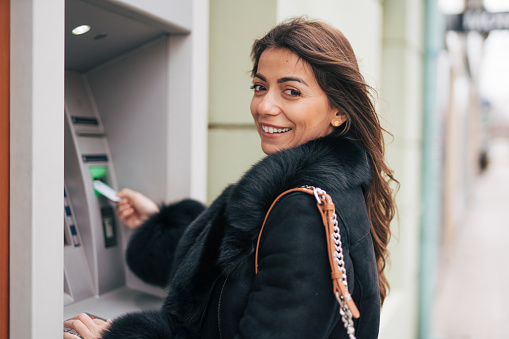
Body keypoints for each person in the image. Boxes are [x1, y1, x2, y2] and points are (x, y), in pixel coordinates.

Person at [64, 17, 397, 339]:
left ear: (338, 111)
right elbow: (241, 270)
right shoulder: (316, 193)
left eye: (291, 92)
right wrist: (157, 224)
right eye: (259, 86)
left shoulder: (305, 213)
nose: (264, 106)